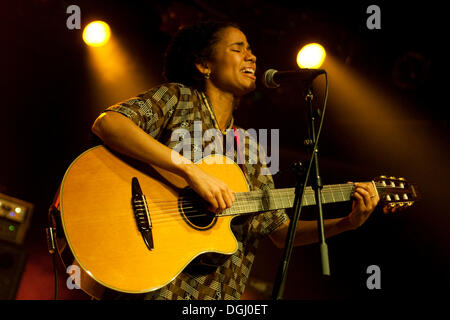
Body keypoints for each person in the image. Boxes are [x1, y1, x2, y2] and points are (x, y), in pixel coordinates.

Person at [91, 20, 380, 300]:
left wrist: (347, 222)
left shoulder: (250, 148)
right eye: (237, 48)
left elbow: (279, 230)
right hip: (152, 281)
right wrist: (191, 172)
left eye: (251, 49)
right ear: (204, 64)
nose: (251, 56)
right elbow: (110, 124)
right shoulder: (177, 98)